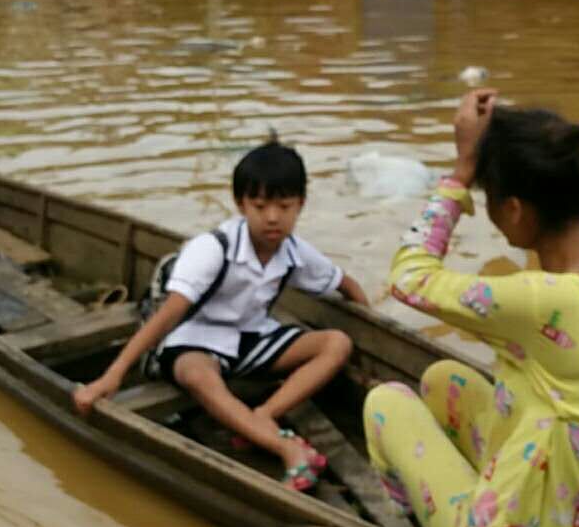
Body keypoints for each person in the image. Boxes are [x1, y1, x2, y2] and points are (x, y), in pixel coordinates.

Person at [364, 91, 579, 527]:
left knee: (385, 403)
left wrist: (460, 171)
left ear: (516, 210)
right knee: (440, 382)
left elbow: (409, 277)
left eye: (491, 200)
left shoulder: (542, 301)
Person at [74, 140, 370, 490]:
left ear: (300, 205)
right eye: (260, 206)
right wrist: (113, 376)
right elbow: (166, 317)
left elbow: (344, 283)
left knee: (336, 343)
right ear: (241, 205)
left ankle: (264, 415)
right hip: (193, 339)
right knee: (196, 374)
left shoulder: (294, 251)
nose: (272, 217)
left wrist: (370, 334)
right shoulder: (212, 249)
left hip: (249, 339)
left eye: (284, 206)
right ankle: (286, 447)